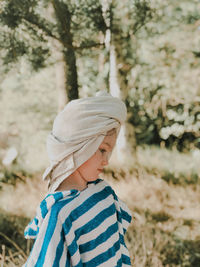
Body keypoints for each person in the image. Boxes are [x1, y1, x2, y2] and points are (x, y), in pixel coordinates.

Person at [23, 91, 132, 267]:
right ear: (81, 147)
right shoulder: (60, 214)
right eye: (102, 150)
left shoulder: (104, 194)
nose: (107, 161)